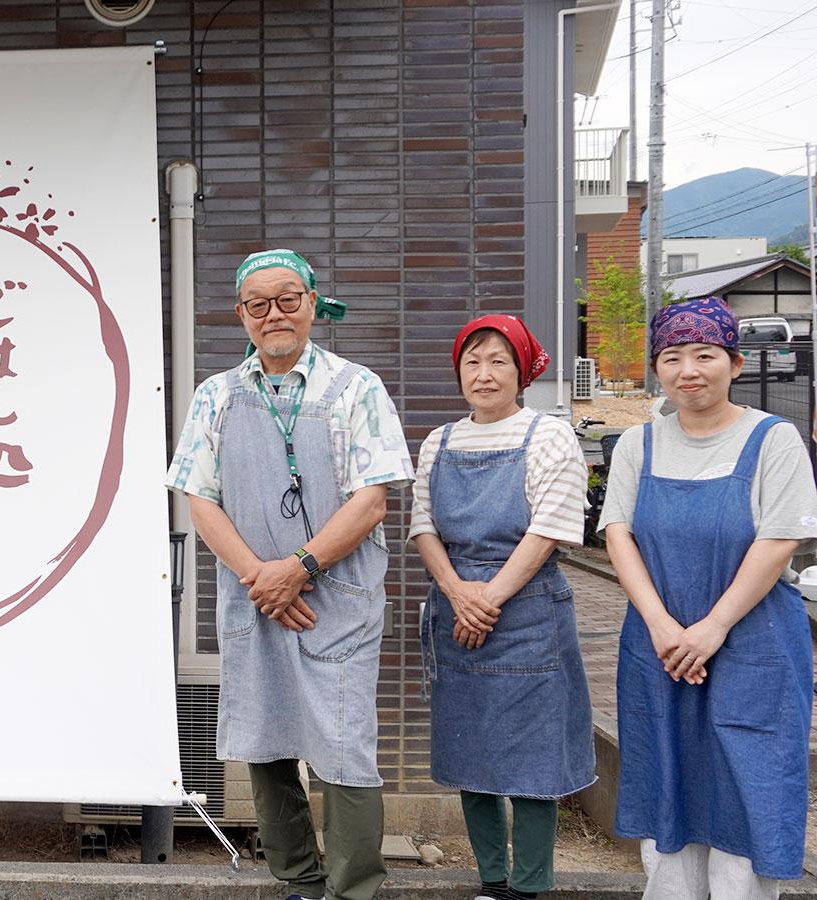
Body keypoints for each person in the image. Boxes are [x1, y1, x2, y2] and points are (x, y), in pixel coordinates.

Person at [166, 249, 413, 900]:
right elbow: (198, 497)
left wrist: (299, 569)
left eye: (287, 298)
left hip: (336, 600)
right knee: (267, 738)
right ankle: (298, 881)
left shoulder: (355, 387)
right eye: (258, 303)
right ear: (240, 315)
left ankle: (352, 888)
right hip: (255, 600)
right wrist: (261, 578)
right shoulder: (216, 394)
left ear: (311, 302)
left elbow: (371, 498)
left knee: (343, 745)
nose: (274, 314)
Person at [599, 297, 817, 900]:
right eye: (672, 357)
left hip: (754, 645)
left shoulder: (774, 440)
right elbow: (618, 535)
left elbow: (779, 539)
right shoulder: (636, 446)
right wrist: (662, 624)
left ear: (735, 363)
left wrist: (713, 627)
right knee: (668, 776)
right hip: (659, 645)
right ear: (657, 368)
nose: (688, 369)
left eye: (705, 354)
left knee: (748, 783)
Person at [408, 315, 595, 900]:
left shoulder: (548, 435)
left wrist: (487, 597)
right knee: (471, 749)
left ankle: (530, 883)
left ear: (522, 371)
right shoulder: (438, 441)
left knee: (534, 761)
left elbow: (551, 528)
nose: (483, 375)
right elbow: (422, 527)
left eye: (498, 362)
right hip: (455, 608)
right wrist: (459, 592)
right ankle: (491, 880)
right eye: (472, 362)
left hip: (528, 610)